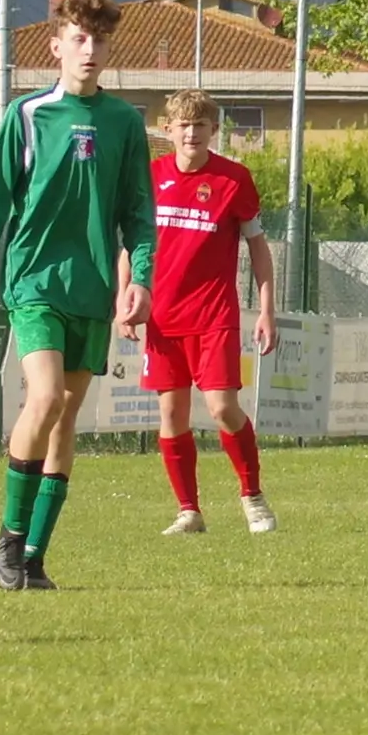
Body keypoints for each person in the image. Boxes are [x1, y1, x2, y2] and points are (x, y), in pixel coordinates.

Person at [0, 0, 155, 591]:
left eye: (98, 40)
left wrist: (140, 281)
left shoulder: (124, 123)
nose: (89, 49)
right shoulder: (27, 115)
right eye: (78, 39)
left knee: (66, 420)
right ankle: (9, 541)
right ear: (57, 47)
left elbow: (140, 216)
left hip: (92, 291)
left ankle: (36, 557)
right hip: (34, 283)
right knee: (42, 400)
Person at [137, 89, 278, 535]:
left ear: (213, 130)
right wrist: (128, 295)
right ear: (168, 130)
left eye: (201, 125)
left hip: (214, 314)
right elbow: (134, 242)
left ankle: (252, 496)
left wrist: (267, 309)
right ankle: (188, 511)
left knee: (222, 408)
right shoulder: (150, 177)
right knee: (172, 415)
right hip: (162, 317)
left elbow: (258, 247)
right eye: (183, 124)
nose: (192, 132)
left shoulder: (234, 180)